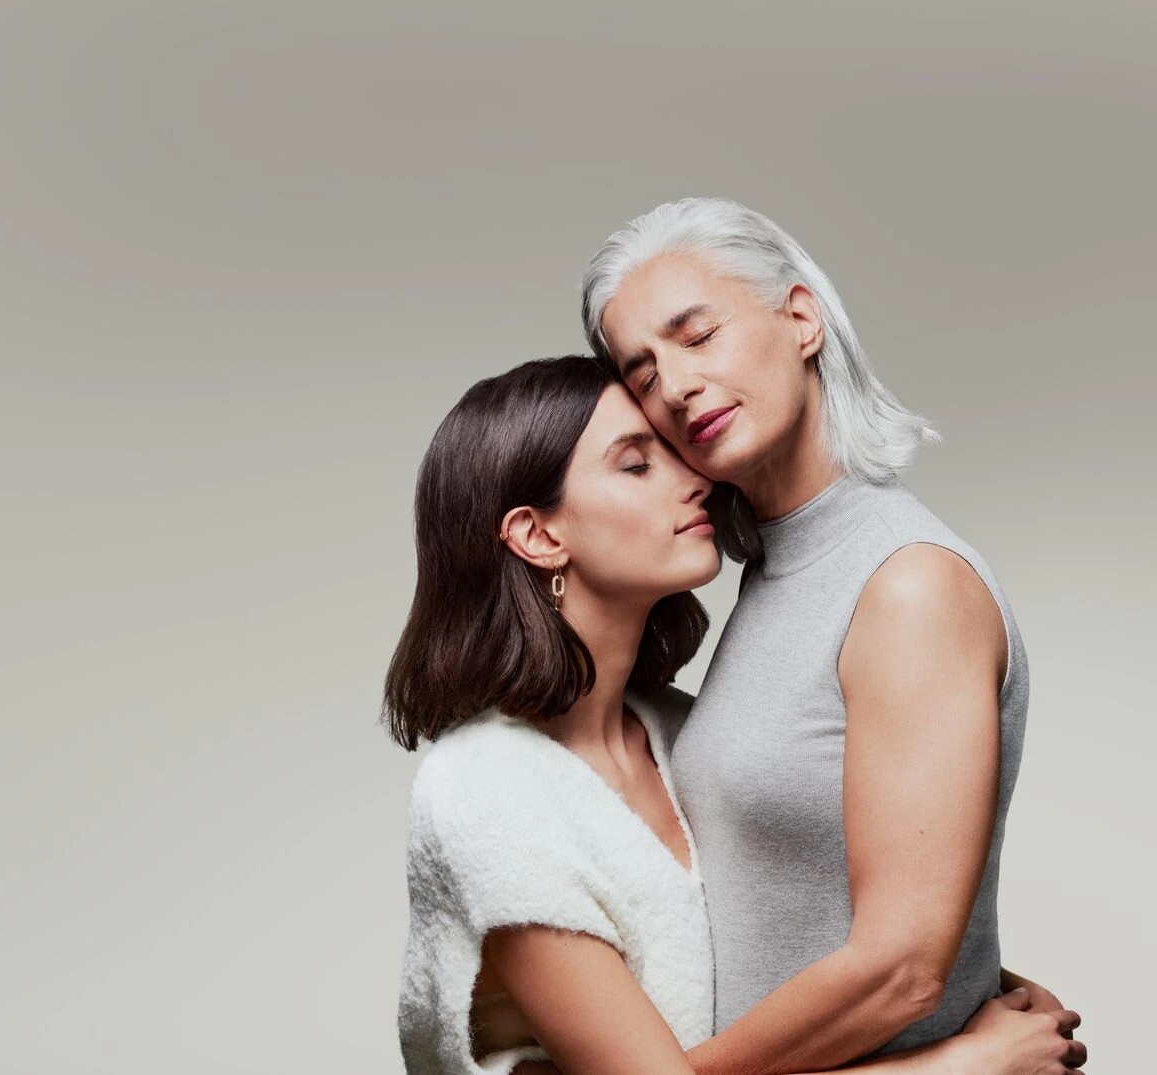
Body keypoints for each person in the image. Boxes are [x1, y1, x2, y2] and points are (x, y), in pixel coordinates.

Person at [385, 354, 1085, 1074]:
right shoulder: (485, 791)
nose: (697, 479)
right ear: (539, 535)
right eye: (635, 465)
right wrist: (958, 1064)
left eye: (673, 455)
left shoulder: (677, 733)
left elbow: (793, 935)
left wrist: (986, 988)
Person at [578, 195, 1077, 1070]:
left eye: (698, 335)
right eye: (645, 373)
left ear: (800, 319)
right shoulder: (775, 577)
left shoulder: (906, 582)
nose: (678, 385)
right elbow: (820, 886)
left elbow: (901, 971)